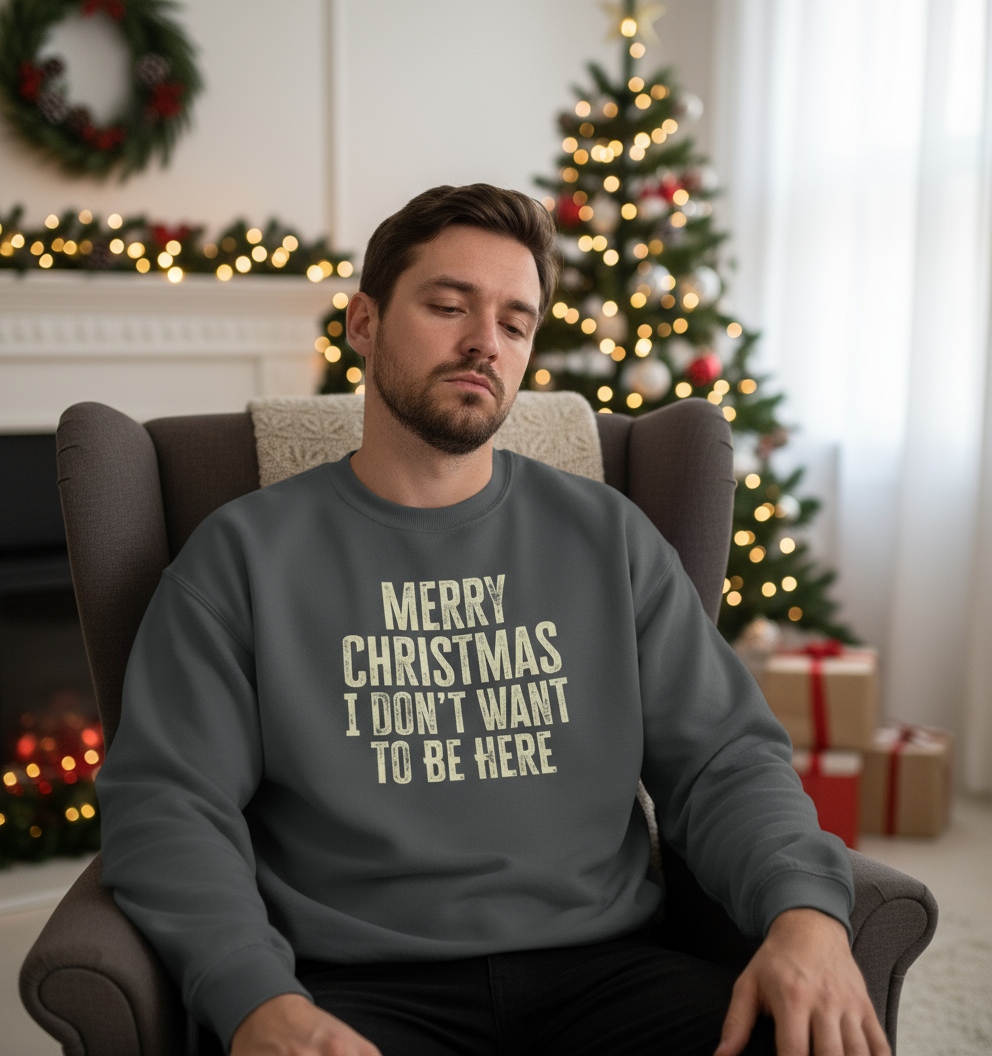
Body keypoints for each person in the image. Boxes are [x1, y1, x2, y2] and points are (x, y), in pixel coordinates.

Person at [96, 184, 889, 1056]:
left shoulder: (608, 538)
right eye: (447, 306)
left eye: (516, 323)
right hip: (353, 992)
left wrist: (806, 912)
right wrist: (255, 1002)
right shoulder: (240, 557)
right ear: (363, 323)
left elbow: (724, 761)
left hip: (607, 975)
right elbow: (169, 803)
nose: (485, 343)